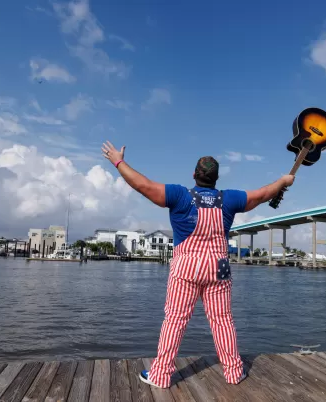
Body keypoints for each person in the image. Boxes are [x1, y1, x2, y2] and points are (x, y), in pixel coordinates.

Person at [101, 140, 295, 388]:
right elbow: (263, 194)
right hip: (218, 269)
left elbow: (142, 185)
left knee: (175, 320)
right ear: (216, 179)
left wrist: (118, 162)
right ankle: (234, 372)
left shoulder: (179, 196)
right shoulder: (230, 199)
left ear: (194, 175)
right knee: (222, 320)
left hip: (186, 268)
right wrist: (282, 181)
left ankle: (161, 375)